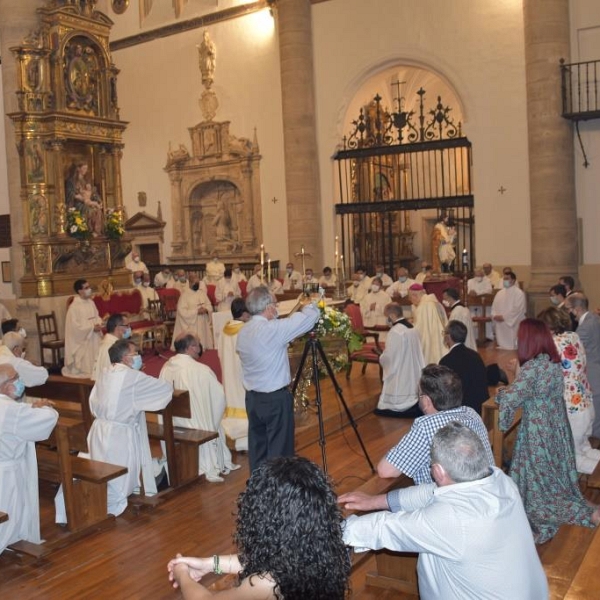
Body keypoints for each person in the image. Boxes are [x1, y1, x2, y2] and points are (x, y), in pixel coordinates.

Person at [340, 422, 548, 600]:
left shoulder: (453, 520)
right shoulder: (501, 481)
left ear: (438, 471)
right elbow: (431, 493)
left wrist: (324, 524)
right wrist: (375, 501)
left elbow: (383, 528)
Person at [167, 456, 350, 599]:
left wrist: (182, 575)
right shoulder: (325, 553)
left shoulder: (267, 584)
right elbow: (270, 563)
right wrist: (209, 564)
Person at [497, 318, 600, 543]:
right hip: (556, 426)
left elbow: (513, 397)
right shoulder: (552, 362)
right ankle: (587, 510)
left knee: (538, 478)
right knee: (553, 475)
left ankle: (582, 513)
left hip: (538, 430)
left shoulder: (533, 367)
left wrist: (501, 393)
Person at [57, 340, 173, 521]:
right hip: (119, 435)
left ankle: (88, 500)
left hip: (99, 429)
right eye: (135, 352)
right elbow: (163, 390)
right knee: (117, 478)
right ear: (126, 358)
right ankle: (102, 506)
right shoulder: (132, 377)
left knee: (98, 465)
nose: (139, 355)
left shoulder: (106, 371)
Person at [236, 286, 319, 471]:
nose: (277, 307)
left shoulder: (243, 331)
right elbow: (310, 317)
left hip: (253, 399)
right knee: (280, 451)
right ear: (267, 307)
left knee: (258, 448)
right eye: (275, 304)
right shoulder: (273, 330)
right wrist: (309, 302)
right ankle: (278, 494)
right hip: (275, 399)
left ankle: (258, 491)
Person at [376, 364, 493, 483]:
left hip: (453, 499)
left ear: (426, 401)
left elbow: (385, 470)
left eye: (419, 394)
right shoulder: (471, 413)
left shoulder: (426, 427)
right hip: (487, 491)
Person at [160, 333, 239, 483]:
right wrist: (212, 424)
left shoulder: (166, 367)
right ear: (190, 348)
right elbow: (219, 398)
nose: (199, 348)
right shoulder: (200, 370)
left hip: (173, 423)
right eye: (198, 344)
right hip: (196, 424)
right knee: (214, 424)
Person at [0, 364, 58, 555]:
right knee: (12, 509)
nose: (20, 380)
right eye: (15, 377)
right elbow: (45, 421)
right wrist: (48, 409)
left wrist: (31, 406)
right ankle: (12, 538)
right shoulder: (11, 410)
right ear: (5, 385)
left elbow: (15, 414)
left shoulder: (9, 408)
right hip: (8, 473)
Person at [538, 307, 600, 474]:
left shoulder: (553, 345)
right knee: (585, 449)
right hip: (586, 404)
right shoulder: (574, 336)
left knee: (570, 457)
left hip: (572, 411)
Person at [374, 303, 424, 418]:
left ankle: (397, 404)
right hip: (413, 367)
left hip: (402, 369)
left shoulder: (395, 331)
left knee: (398, 386)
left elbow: (391, 357)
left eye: (386, 316)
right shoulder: (412, 327)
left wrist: (381, 356)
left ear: (391, 315)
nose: (386, 319)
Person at [564, 293, 600, 437]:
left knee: (595, 428)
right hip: (596, 369)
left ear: (577, 308)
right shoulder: (595, 318)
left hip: (592, 376)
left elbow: (572, 353)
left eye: (569, 309)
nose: (568, 312)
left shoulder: (585, 327)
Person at [217, 298, 250, 452]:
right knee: (244, 402)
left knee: (233, 402)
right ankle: (245, 442)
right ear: (244, 314)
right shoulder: (245, 330)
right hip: (243, 374)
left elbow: (219, 352)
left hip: (229, 373)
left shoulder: (225, 330)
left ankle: (237, 441)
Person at [439, 320, 489, 414]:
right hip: (480, 408)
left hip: (460, 411)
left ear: (449, 337)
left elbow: (444, 392)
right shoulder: (475, 355)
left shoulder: (446, 361)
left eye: (444, 333)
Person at [62, 279, 103, 378]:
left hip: (94, 336)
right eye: (86, 288)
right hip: (83, 338)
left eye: (89, 287)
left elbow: (97, 316)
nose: (89, 290)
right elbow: (75, 327)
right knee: (86, 367)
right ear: (80, 291)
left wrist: (98, 324)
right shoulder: (74, 307)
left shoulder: (91, 302)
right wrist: (91, 328)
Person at [171, 274, 214, 350]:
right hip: (192, 323)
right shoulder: (184, 295)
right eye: (195, 283)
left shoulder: (202, 293)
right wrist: (196, 312)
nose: (197, 285)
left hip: (202, 321)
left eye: (198, 283)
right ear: (190, 283)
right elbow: (182, 311)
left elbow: (209, 305)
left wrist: (206, 309)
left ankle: (204, 345)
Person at [408, 283, 447, 364]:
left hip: (430, 341)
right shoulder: (436, 303)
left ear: (415, 295)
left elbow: (419, 330)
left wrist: (410, 325)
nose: (411, 301)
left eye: (411, 298)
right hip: (441, 337)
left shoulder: (422, 307)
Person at [491, 270, 526, 349]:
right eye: (504, 279)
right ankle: (502, 344)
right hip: (500, 321)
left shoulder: (519, 293)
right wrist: (495, 316)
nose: (505, 281)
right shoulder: (499, 293)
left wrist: (504, 317)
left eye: (507, 279)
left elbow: (517, 309)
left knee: (513, 342)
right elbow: (494, 306)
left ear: (513, 280)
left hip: (512, 321)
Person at [92, 313, 130, 381]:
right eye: (127, 326)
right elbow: (112, 375)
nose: (129, 328)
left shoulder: (111, 343)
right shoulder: (110, 347)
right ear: (118, 327)